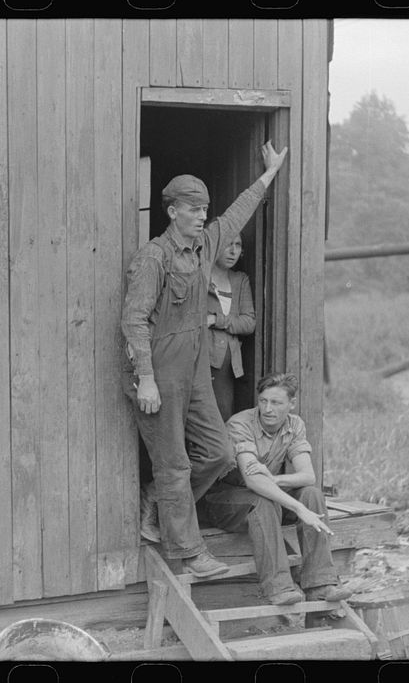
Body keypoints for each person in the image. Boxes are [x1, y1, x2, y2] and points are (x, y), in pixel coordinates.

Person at [121, 141, 288, 578]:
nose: (201, 215)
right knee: (174, 462)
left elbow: (237, 214)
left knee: (217, 454)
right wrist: (146, 379)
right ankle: (190, 554)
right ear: (172, 211)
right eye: (193, 209)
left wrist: (269, 174)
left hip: (194, 373)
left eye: (204, 208)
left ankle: (156, 498)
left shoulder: (205, 247)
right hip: (158, 373)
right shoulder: (153, 258)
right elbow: (134, 320)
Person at [196, 372, 354, 605]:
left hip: (267, 494)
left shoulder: (294, 424)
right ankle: (279, 587)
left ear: (291, 404)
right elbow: (252, 482)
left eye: (276, 403)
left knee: (312, 494)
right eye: (263, 401)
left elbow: (307, 476)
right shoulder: (240, 424)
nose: (268, 409)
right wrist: (298, 508)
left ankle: (320, 583)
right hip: (224, 501)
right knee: (262, 501)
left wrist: (274, 480)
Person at [207, 235, 255, 421]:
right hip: (201, 357)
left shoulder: (240, 280)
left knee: (223, 415)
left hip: (227, 366)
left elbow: (249, 323)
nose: (233, 251)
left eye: (238, 245)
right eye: (228, 244)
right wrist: (231, 321)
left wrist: (215, 320)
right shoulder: (200, 277)